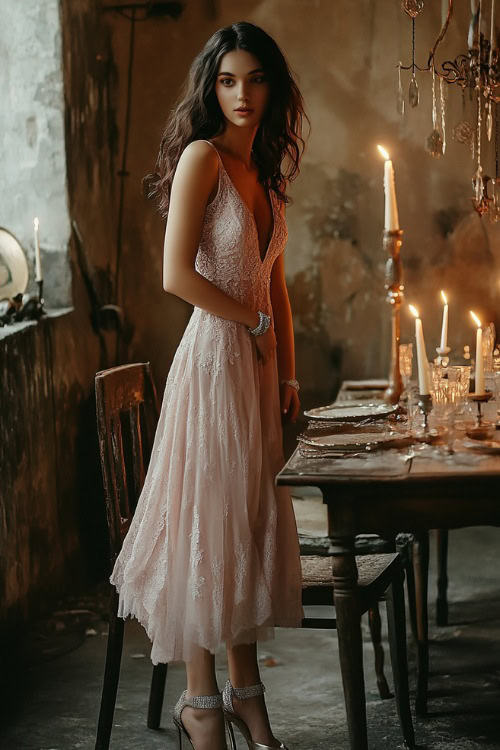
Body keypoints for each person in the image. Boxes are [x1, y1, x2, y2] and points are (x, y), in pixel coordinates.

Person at [109, 20, 309, 750]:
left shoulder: (266, 172)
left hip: (257, 371)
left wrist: (285, 364)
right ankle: (201, 703)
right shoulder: (203, 158)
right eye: (228, 80)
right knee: (208, 525)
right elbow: (175, 276)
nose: (243, 93)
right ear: (211, 87)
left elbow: (275, 282)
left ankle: (246, 695)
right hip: (214, 361)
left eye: (256, 79)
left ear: (273, 87)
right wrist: (250, 324)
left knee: (247, 525)